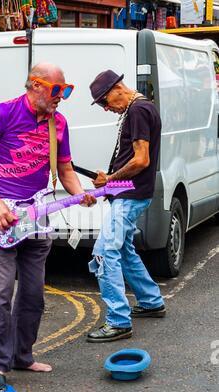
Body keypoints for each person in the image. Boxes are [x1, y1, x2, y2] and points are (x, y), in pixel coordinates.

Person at [0, 63, 96, 391]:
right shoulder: (3, 114)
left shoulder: (59, 124)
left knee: (34, 295)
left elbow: (64, 170)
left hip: (38, 218)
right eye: (57, 91)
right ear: (35, 86)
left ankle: (22, 355)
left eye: (66, 91)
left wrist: (81, 195)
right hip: (3, 217)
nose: (62, 98)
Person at [87, 70, 165, 343]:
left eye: (105, 101)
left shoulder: (138, 110)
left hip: (131, 195)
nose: (107, 108)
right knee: (123, 248)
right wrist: (109, 182)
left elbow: (141, 160)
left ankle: (118, 320)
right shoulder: (140, 108)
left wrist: (110, 179)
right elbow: (132, 157)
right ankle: (151, 300)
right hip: (130, 192)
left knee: (104, 252)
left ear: (118, 87)